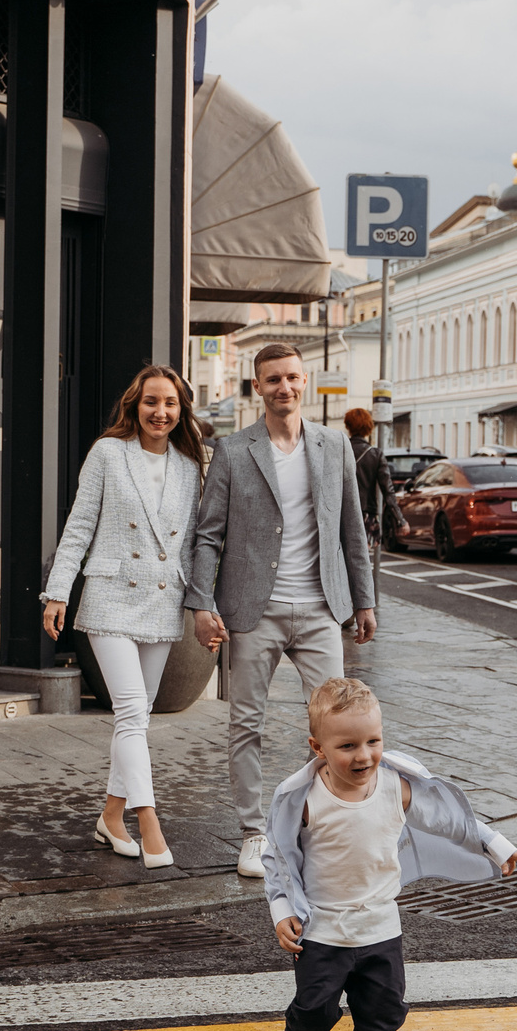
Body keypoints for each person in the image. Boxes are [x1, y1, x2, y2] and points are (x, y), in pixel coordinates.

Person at [266, 678, 517, 1031]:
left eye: (374, 741)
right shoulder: (306, 801)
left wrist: (499, 846)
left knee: (384, 1014)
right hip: (322, 932)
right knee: (316, 1009)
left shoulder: (396, 787)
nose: (364, 755)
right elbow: (277, 857)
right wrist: (282, 911)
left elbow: (454, 822)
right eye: (348, 745)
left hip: (380, 930)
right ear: (318, 748)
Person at [186, 343, 379, 881]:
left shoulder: (334, 444)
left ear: (306, 381)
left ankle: (328, 824)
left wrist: (363, 600)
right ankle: (254, 833)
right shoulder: (232, 450)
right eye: (273, 380)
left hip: (321, 608)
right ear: (257, 387)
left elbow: (351, 531)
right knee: (247, 722)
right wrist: (201, 604)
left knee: (338, 725)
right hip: (254, 609)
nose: (284, 388)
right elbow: (207, 537)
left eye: (292, 377)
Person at [43, 365, 211, 870]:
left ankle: (110, 816)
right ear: (134, 406)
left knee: (134, 718)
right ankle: (149, 820)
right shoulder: (108, 453)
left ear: (181, 411)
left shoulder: (189, 464)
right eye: (151, 402)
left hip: (162, 601)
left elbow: (200, 544)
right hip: (112, 595)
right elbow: (79, 526)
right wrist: (57, 592)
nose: (161, 412)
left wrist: (206, 605)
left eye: (171, 404)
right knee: (133, 711)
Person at [345, 407, 395, 549]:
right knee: (363, 558)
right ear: (369, 428)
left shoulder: (339, 449)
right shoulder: (375, 454)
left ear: (348, 426)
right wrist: (400, 520)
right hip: (367, 513)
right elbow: (388, 489)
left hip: (343, 512)